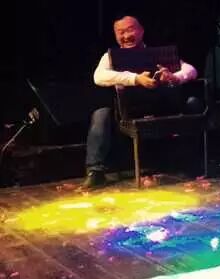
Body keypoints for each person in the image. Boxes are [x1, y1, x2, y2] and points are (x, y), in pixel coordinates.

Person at [84, 16, 198, 189]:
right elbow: (98, 76)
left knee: (193, 103)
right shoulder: (110, 57)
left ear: (141, 31)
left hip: (163, 108)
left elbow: (191, 70)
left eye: (130, 30)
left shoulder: (157, 53)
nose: (126, 36)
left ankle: (191, 161)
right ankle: (95, 172)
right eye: (121, 32)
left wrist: (174, 77)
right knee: (101, 114)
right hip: (128, 112)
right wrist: (135, 79)